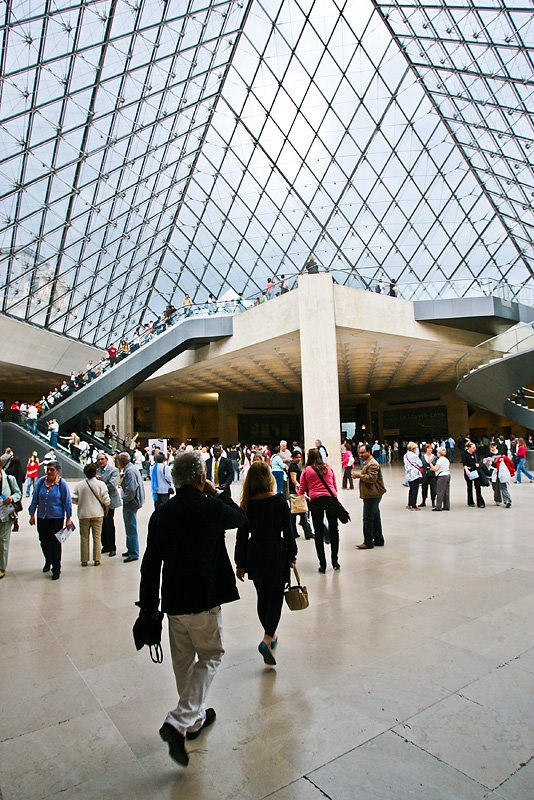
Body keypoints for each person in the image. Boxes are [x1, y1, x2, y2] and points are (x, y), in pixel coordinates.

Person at [138, 451, 247, 767]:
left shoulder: (163, 513)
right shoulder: (210, 506)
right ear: (201, 477)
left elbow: (150, 565)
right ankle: (178, 721)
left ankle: (194, 719)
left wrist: (148, 608)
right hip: (205, 599)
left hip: (173, 601)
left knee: (183, 663)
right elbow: (240, 517)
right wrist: (214, 491)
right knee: (212, 655)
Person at [235, 461, 296, 667]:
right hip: (275, 552)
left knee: (262, 597)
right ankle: (268, 638)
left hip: (255, 554)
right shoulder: (279, 501)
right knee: (276, 598)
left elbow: (241, 536)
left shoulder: (248, 504)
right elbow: (288, 531)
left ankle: (269, 636)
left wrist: (240, 563)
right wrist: (292, 554)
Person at [298, 448, 340, 573]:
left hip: (316, 501)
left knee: (318, 531)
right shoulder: (328, 468)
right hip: (330, 499)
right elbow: (335, 486)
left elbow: (301, 490)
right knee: (334, 529)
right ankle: (335, 561)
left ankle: (323, 564)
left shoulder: (307, 471)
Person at [29, 462, 72, 580]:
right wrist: (31, 514)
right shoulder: (41, 482)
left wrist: (69, 517)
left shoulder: (62, 484)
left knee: (55, 543)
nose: (48, 472)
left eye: (51, 470)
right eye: (47, 469)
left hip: (56, 518)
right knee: (43, 540)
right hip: (42, 517)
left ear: (57, 471)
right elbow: (35, 498)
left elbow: (67, 501)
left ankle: (56, 568)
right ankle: (48, 560)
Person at [71, 463, 110, 567]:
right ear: (95, 472)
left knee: (84, 537)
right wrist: (106, 509)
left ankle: (84, 560)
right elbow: (106, 500)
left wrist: (81, 502)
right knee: (97, 537)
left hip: (83, 514)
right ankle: (97, 559)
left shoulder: (79, 485)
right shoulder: (101, 484)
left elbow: (73, 498)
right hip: (97, 513)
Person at [352, 443, 386, 549]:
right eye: (359, 453)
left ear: (369, 452)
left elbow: (372, 479)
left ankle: (368, 542)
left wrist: (359, 476)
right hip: (371, 494)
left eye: (363, 452)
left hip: (373, 494)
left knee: (368, 518)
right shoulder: (368, 462)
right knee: (375, 517)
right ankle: (378, 539)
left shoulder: (373, 464)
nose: (360, 455)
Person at [117, 451, 145, 562]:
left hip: (131, 503)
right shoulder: (131, 469)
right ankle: (131, 548)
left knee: (130, 527)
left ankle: (133, 553)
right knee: (129, 527)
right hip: (132, 501)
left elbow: (132, 489)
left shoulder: (129, 471)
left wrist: (125, 499)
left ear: (122, 461)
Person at [96, 452, 121, 557]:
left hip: (109, 501)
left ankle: (112, 547)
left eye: (102, 459)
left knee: (109, 523)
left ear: (106, 460)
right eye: (99, 460)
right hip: (99, 501)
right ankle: (105, 545)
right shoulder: (97, 471)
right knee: (101, 524)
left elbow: (112, 485)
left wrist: (99, 485)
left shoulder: (113, 471)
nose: (100, 461)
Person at [0, 463, 22, 578]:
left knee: (4, 541)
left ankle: (2, 567)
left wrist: (11, 498)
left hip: (6, 514)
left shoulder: (9, 479)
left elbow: (18, 493)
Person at [287, 450, 313, 540]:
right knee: (303, 512)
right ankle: (308, 533)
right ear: (293, 458)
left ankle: (294, 532)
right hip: (296, 493)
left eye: (300, 457)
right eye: (297, 457)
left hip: (294, 492)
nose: (298, 459)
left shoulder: (294, 466)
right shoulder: (293, 467)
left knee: (294, 514)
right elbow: (294, 480)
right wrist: (300, 489)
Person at [462, 442, 485, 508]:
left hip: (476, 471)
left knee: (478, 487)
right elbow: (464, 463)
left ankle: (480, 502)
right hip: (469, 471)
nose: (474, 449)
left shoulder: (475, 453)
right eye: (473, 447)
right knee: (469, 487)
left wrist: (478, 464)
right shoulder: (464, 454)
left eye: (475, 447)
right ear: (469, 448)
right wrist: (466, 470)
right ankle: (470, 501)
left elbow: (478, 460)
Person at [431, 446, 451, 511]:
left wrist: (430, 464)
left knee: (440, 491)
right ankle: (446, 506)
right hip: (447, 474)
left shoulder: (439, 460)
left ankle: (438, 506)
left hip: (442, 476)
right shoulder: (446, 459)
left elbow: (436, 468)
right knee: (446, 491)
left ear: (439, 453)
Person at [403, 442, 422, 510]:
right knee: (415, 490)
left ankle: (409, 504)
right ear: (413, 448)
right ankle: (413, 505)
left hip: (409, 475)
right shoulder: (414, 456)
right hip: (415, 474)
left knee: (411, 489)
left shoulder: (405, 455)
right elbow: (420, 464)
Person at [420, 443, 437, 508]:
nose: (430, 450)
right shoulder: (422, 457)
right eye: (428, 448)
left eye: (431, 448)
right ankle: (423, 501)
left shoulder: (435, 457)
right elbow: (421, 465)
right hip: (424, 475)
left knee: (433, 488)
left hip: (432, 475)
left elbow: (437, 465)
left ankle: (433, 501)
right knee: (424, 488)